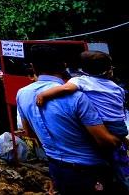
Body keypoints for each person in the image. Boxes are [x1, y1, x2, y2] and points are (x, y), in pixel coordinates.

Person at [16, 45, 122, 195]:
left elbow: (29, 133)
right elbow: (106, 141)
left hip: (57, 170)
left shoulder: (22, 94)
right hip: (90, 173)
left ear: (33, 67)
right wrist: (120, 140)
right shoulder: (78, 97)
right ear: (64, 66)